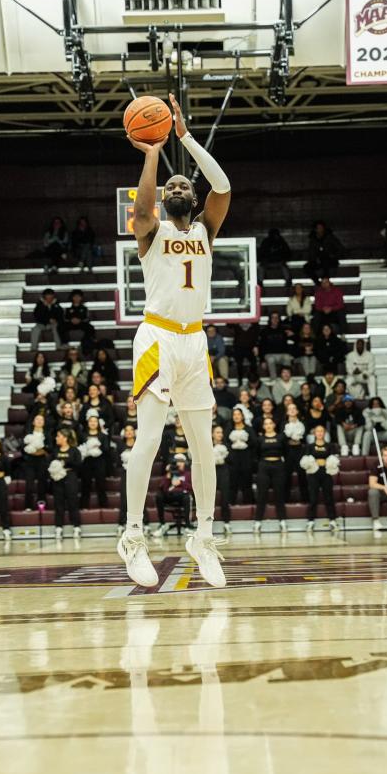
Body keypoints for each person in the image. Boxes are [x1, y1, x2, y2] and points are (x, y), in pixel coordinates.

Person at [118, 92, 230, 589]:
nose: (180, 183)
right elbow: (141, 207)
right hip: (158, 337)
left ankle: (203, 537)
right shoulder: (151, 231)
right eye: (173, 182)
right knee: (150, 438)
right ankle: (133, 536)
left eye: (185, 181)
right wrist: (150, 152)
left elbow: (223, 185)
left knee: (205, 447)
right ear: (165, 198)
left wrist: (183, 137)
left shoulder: (206, 228)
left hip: (194, 344)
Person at [300, 424, 340, 531]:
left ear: (324, 433)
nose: (319, 433)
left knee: (329, 497)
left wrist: (324, 461)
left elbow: (333, 459)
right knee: (313, 498)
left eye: (322, 431)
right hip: (313, 473)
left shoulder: (330, 446)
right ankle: (311, 521)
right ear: (314, 433)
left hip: (326, 472)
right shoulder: (309, 446)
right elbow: (306, 460)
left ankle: (332, 520)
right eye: (317, 431)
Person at [254, 416, 287, 532]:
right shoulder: (260, 439)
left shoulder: (281, 437)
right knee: (262, 495)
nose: (268, 425)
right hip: (264, 466)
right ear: (263, 426)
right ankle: (258, 521)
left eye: (270, 423)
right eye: (266, 424)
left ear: (274, 425)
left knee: (279, 494)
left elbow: (286, 452)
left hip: (278, 465)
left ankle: (282, 521)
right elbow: (256, 454)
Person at [48, 428, 82, 539]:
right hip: (57, 479)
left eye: (58, 436)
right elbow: (49, 464)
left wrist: (64, 463)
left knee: (73, 502)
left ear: (65, 438)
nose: (56, 438)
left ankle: (76, 527)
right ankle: (58, 527)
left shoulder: (74, 450)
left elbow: (78, 465)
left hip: (70, 478)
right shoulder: (55, 450)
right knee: (58, 503)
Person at [154, 454, 192, 535]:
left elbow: (191, 487)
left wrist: (181, 483)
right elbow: (163, 488)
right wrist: (168, 476)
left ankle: (188, 525)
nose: (179, 464)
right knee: (159, 496)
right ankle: (162, 524)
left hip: (182, 496)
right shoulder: (170, 473)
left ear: (185, 463)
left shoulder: (188, 474)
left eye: (181, 462)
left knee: (187, 497)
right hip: (170, 495)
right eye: (177, 462)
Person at [79, 414, 109, 509]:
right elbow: (79, 448)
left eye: (95, 421)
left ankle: (103, 506)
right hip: (86, 463)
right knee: (85, 485)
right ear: (88, 423)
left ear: (98, 423)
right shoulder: (83, 435)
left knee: (101, 484)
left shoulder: (103, 436)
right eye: (91, 421)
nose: (93, 423)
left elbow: (106, 449)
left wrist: (97, 448)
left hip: (99, 463)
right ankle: (84, 506)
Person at [21, 413, 50, 510]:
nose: (39, 421)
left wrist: (42, 448)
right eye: (37, 419)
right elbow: (22, 447)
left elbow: (50, 448)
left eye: (41, 419)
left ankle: (41, 506)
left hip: (42, 460)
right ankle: (28, 506)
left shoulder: (47, 434)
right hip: (30, 461)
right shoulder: (28, 433)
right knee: (29, 485)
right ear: (33, 422)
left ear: (44, 422)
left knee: (42, 484)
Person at [258, 312, 296, 380]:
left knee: (287, 358)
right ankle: (274, 380)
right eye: (273, 317)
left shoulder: (284, 330)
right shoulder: (264, 331)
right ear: (270, 319)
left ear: (279, 319)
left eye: (276, 318)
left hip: (282, 354)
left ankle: (287, 380)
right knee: (271, 360)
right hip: (269, 354)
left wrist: (293, 335)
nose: (275, 319)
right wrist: (262, 360)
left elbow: (295, 341)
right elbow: (261, 346)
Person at [63, 289, 97, 357]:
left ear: (81, 298)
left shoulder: (85, 309)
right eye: (75, 296)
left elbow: (87, 319)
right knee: (61, 327)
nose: (76, 298)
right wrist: (71, 320)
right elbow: (64, 319)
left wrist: (80, 320)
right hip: (70, 324)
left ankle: (87, 345)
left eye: (78, 297)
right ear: (72, 298)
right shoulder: (68, 309)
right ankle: (64, 344)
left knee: (90, 327)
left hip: (81, 324)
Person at [116, 425, 136, 533]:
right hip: (125, 472)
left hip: (138, 473)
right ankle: (121, 523)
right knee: (124, 498)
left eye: (131, 430)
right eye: (126, 430)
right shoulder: (120, 445)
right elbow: (117, 462)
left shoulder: (139, 444)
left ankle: (144, 523)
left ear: (134, 432)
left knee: (139, 497)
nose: (129, 432)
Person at [210, 425, 231, 525]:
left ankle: (226, 522)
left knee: (225, 496)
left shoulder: (226, 445)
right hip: (210, 471)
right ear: (212, 434)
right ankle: (207, 523)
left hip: (223, 470)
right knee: (209, 498)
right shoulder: (208, 446)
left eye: (221, 432)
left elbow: (231, 461)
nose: (220, 434)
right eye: (217, 432)